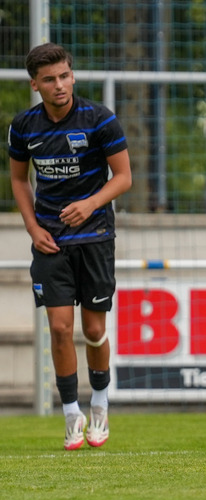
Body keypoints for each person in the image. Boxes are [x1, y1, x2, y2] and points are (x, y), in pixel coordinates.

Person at [8, 43, 132, 450]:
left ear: (72, 76)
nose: (59, 85)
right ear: (35, 84)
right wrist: (31, 226)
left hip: (95, 236)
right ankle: (71, 414)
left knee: (94, 330)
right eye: (49, 79)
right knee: (60, 328)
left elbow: (123, 177)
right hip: (50, 241)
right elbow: (20, 180)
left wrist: (90, 203)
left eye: (64, 76)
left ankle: (99, 404)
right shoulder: (24, 126)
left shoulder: (100, 120)